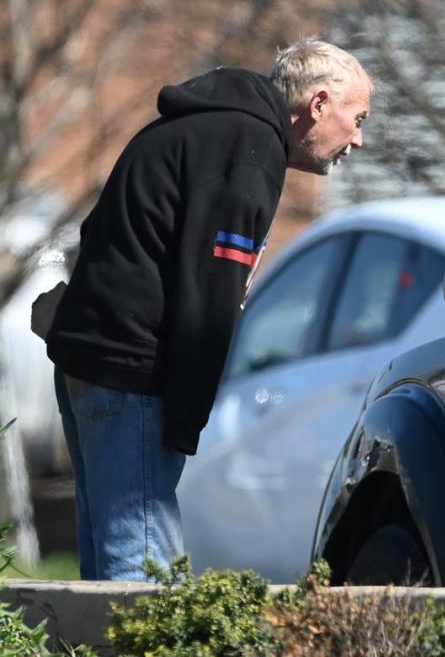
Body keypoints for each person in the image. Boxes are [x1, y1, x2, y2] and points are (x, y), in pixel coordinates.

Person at [40, 38, 373, 581]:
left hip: (94, 360)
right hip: (131, 371)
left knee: (108, 565)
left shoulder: (204, 126)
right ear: (317, 104)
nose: (357, 139)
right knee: (143, 574)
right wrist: (186, 416)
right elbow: (211, 292)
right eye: (357, 118)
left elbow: (97, 233)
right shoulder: (249, 145)